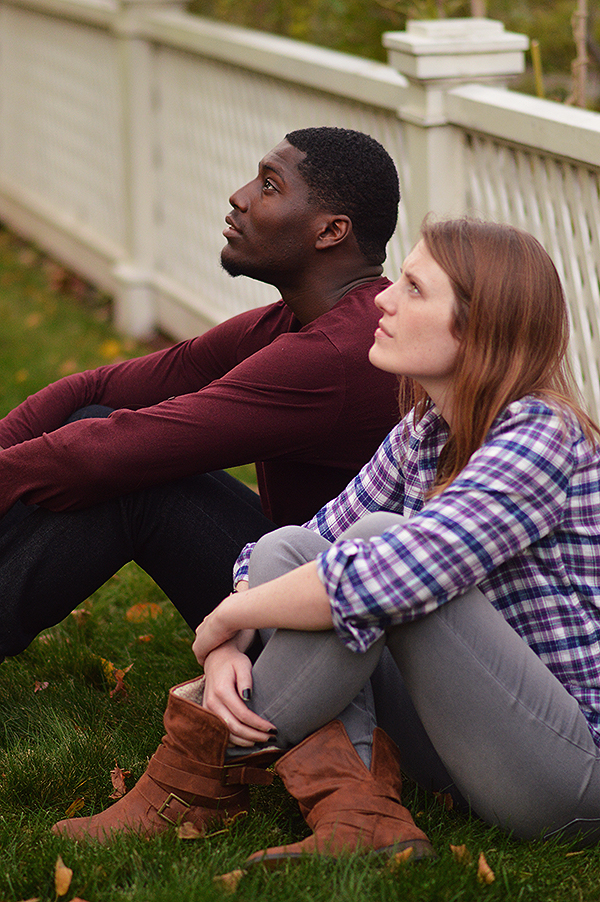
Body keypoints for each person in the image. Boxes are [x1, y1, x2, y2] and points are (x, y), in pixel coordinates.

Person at [55, 217, 600, 861]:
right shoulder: (423, 431)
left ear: (478, 327)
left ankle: (192, 775)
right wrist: (229, 643)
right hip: (461, 744)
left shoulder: (543, 435)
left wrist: (232, 617)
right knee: (297, 549)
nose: (384, 300)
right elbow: (288, 548)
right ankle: (359, 815)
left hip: (564, 774)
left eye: (415, 290)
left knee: (375, 544)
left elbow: (387, 575)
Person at [0, 127, 405, 661]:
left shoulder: (335, 355)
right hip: (294, 575)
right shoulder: (290, 325)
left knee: (134, 480)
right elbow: (96, 387)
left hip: (349, 635)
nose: (239, 197)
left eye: (269, 186)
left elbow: (117, 452)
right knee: (96, 417)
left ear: (330, 231)